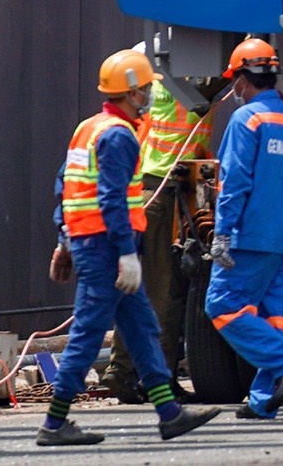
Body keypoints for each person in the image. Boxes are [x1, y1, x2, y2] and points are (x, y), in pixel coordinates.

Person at [42, 48, 221, 447]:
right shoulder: (119, 136)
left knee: (142, 329)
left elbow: (67, 188)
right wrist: (125, 253)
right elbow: (111, 200)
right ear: (132, 92)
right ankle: (54, 423)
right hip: (106, 248)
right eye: (145, 89)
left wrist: (64, 242)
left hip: (92, 243)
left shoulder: (89, 128)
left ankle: (169, 414)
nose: (149, 95)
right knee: (88, 333)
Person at [206, 39, 283, 420]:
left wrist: (222, 233)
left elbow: (234, 181)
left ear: (241, 80)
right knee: (274, 316)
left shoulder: (247, 119)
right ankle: (263, 399)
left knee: (221, 306)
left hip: (251, 235)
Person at [104, 59, 212, 403]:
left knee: (139, 287)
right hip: (165, 190)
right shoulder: (195, 82)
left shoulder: (160, 81)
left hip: (148, 186)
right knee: (165, 291)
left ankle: (122, 370)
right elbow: (224, 83)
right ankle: (159, 380)